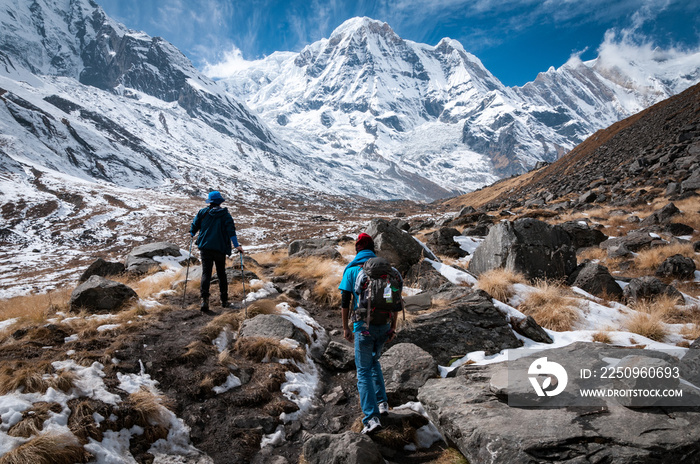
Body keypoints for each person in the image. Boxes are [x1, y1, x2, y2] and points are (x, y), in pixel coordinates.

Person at [339, 233, 397, 435]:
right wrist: (392, 327)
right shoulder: (389, 270)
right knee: (374, 363)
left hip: (363, 328)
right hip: (384, 325)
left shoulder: (352, 270)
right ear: (373, 249)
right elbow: (395, 301)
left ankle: (371, 418)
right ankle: (382, 403)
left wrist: (346, 327)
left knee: (363, 371)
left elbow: (345, 301)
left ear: (357, 250)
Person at [190, 191, 243, 312]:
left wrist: (192, 233)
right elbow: (231, 231)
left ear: (210, 202)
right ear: (220, 202)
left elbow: (195, 224)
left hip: (205, 248)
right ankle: (224, 300)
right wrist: (236, 246)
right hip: (220, 249)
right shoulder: (225, 215)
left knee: (206, 274)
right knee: (221, 274)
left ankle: (204, 301)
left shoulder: (203, 212)